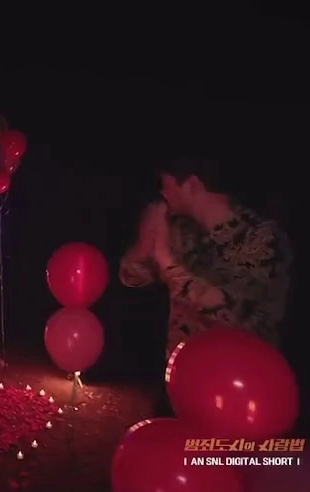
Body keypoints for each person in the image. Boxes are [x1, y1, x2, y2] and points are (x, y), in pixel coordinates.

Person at [119, 159, 292, 416]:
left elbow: (232, 314)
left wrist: (165, 257)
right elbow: (132, 276)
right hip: (180, 379)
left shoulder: (261, 239)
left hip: (239, 390)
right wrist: (145, 244)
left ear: (192, 184)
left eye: (167, 184)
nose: (163, 192)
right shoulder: (183, 229)